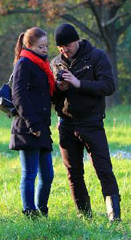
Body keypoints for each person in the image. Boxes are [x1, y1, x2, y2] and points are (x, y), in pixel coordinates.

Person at [50, 23, 121, 221]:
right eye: (60, 47)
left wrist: (78, 83)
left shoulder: (97, 57)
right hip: (65, 124)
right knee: (73, 173)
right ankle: (85, 217)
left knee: (104, 169)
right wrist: (59, 88)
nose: (65, 49)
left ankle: (114, 217)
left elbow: (108, 86)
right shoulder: (55, 63)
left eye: (68, 45)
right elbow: (50, 97)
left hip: (91, 122)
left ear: (77, 40)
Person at [9, 27, 55, 218]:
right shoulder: (24, 63)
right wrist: (32, 124)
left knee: (48, 175)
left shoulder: (41, 65)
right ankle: (30, 212)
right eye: (41, 46)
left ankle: (41, 210)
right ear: (29, 45)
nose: (45, 50)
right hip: (28, 127)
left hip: (42, 127)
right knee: (29, 174)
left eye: (46, 46)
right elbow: (18, 95)